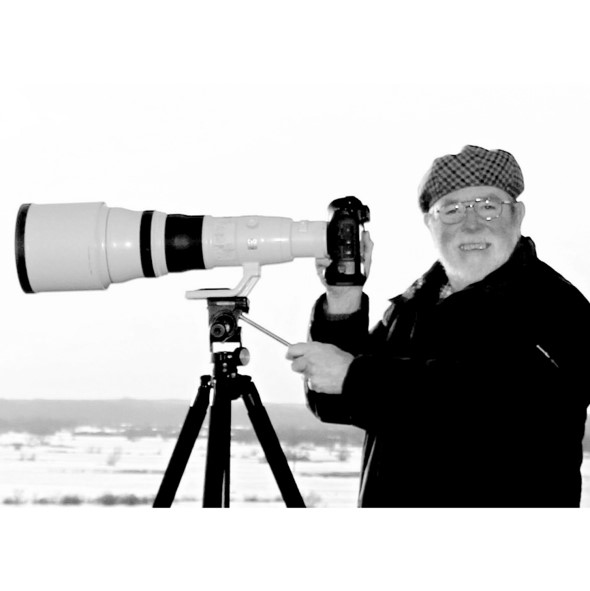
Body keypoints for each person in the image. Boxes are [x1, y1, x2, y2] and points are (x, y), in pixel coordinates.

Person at [286, 145, 590, 508]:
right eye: (452, 210)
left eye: (488, 206)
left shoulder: (555, 305)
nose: (472, 224)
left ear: (518, 215)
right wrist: (343, 299)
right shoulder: (417, 302)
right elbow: (335, 400)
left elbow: (494, 405)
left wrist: (355, 376)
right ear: (430, 224)